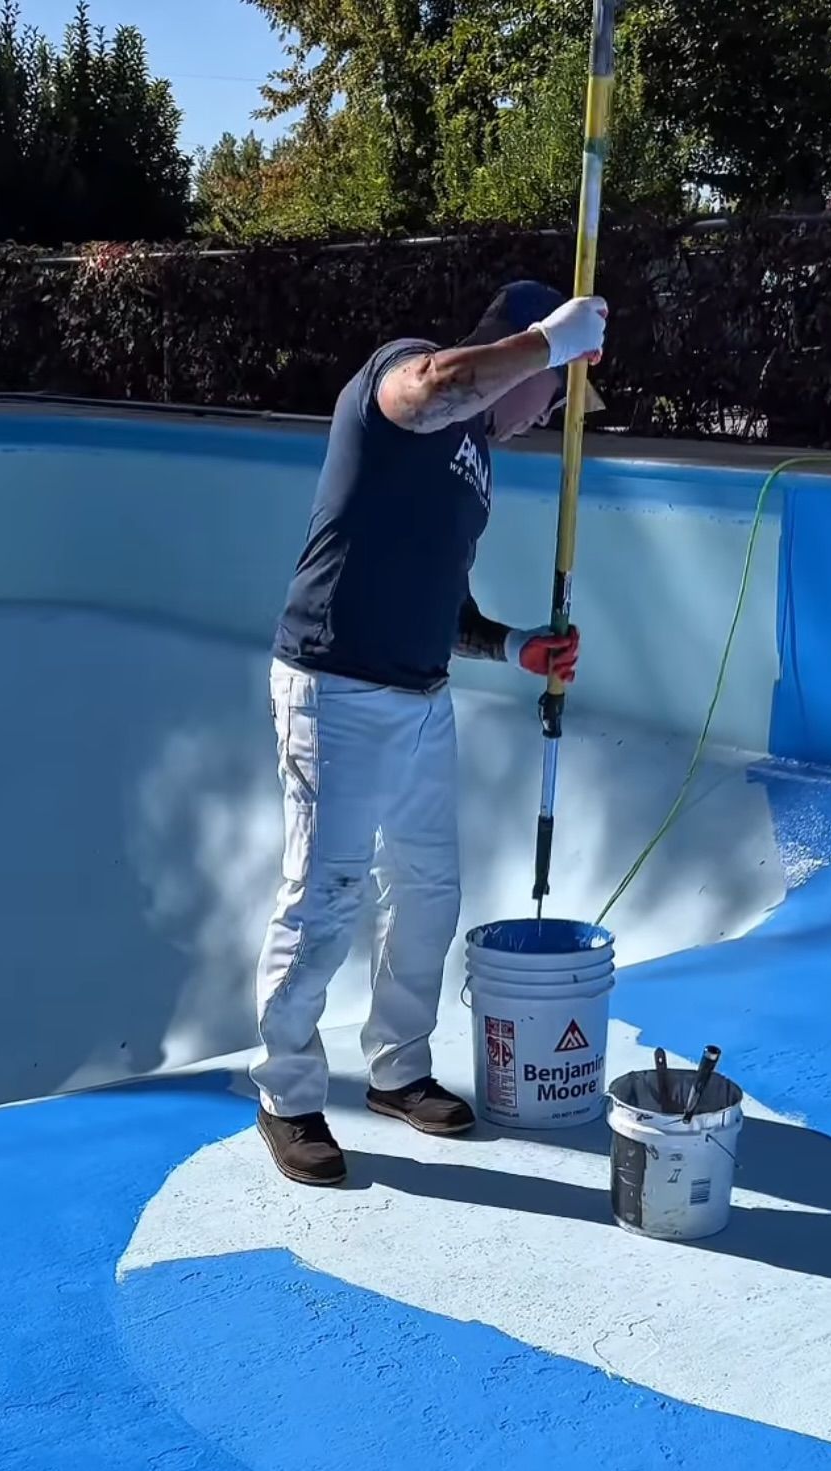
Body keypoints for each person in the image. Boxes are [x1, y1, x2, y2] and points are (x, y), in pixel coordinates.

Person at [252, 279, 609, 1185]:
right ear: (519, 349)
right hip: (332, 681)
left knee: (427, 891)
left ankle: (398, 1069)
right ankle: (288, 1092)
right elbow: (436, 384)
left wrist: (516, 645)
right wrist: (547, 343)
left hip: (420, 695)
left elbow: (448, 609)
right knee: (326, 891)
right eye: (555, 392)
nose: (549, 412)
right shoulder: (407, 380)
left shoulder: (479, 468)